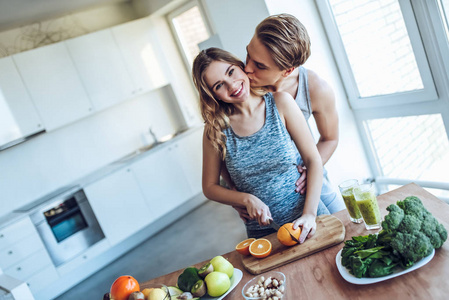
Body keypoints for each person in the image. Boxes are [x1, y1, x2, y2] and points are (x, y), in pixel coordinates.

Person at [192, 47, 331, 241]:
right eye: (219, 86)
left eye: (231, 72)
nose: (232, 86)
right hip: (263, 233)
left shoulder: (281, 103)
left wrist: (309, 214)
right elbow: (210, 187)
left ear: (241, 67)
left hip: (309, 220)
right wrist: (245, 199)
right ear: (212, 95)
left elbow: (313, 160)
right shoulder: (215, 130)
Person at [223, 13, 345, 222]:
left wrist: (310, 169)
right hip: (264, 204)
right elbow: (224, 145)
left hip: (309, 187)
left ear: (288, 70)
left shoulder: (315, 89)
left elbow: (330, 139)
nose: (248, 68)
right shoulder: (239, 85)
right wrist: (237, 196)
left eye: (260, 66)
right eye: (248, 54)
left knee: (348, 230)